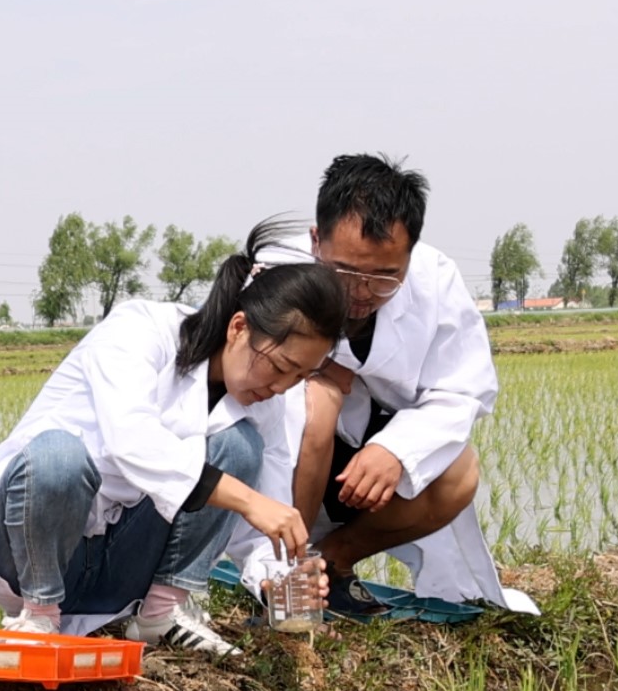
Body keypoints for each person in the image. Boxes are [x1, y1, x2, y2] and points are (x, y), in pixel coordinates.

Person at [0, 221, 349, 653]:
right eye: (280, 366)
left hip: (121, 566)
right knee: (58, 457)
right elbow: (131, 441)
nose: (281, 387)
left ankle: (160, 613)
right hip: (28, 555)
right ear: (239, 327)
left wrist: (276, 578)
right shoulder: (140, 331)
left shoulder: (266, 402)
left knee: (241, 447)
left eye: (299, 377)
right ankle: (39, 615)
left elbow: (263, 517)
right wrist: (249, 500)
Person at [229, 154, 537, 616]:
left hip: (372, 453)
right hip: (287, 452)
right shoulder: (276, 273)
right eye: (344, 272)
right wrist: (323, 379)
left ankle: (331, 564)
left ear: (411, 255)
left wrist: (396, 449)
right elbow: (240, 372)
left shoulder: (435, 282)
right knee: (318, 402)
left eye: (384, 278)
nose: (360, 292)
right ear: (316, 241)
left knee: (459, 473)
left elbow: (462, 390)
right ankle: (287, 574)